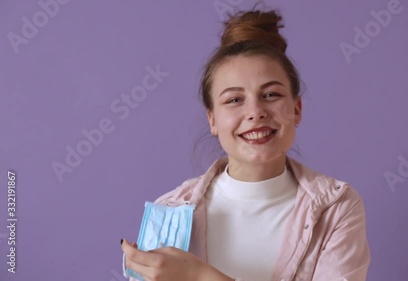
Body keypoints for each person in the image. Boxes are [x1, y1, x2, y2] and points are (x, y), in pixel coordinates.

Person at [121, 8, 370, 281]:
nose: (255, 112)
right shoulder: (169, 211)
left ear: (296, 109)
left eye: (271, 94)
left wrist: (201, 277)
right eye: (234, 100)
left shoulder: (336, 208)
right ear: (212, 120)